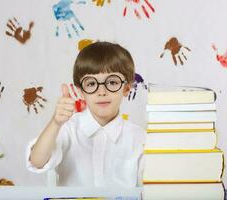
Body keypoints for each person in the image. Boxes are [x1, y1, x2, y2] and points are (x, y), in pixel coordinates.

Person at [26, 41, 146, 187]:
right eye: (91, 84)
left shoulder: (140, 138)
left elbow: (149, 189)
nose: (102, 92)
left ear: (127, 88)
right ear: (81, 91)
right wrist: (56, 122)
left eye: (112, 82)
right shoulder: (68, 129)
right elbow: (37, 162)